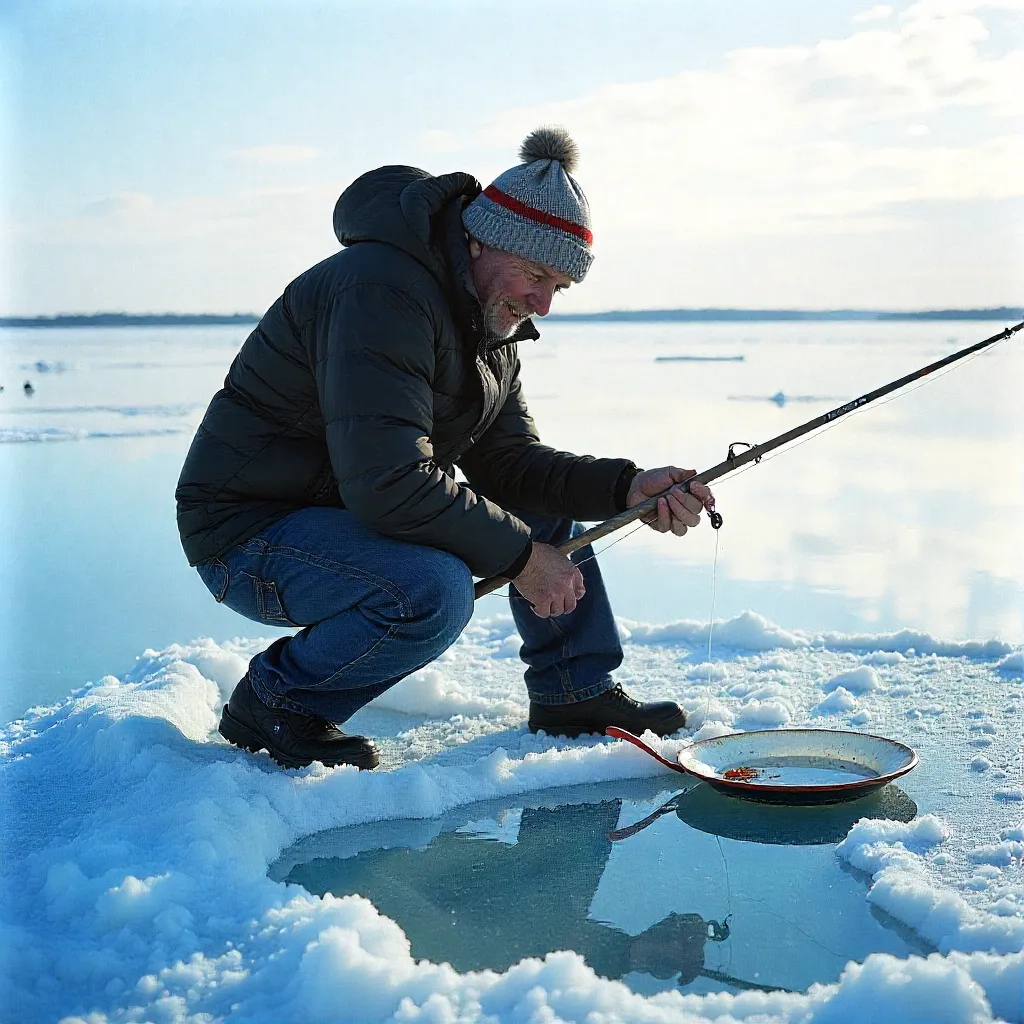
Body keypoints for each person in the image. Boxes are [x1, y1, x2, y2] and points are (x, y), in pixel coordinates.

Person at [175, 126, 714, 771]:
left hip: (339, 513)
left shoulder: (486, 314)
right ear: (482, 240)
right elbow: (387, 481)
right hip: (249, 534)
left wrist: (625, 487)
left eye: (558, 288)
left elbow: (510, 465)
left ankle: (574, 693)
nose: (541, 303)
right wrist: (521, 559)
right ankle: (277, 703)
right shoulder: (380, 292)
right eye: (534, 275)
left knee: (538, 509)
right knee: (430, 588)